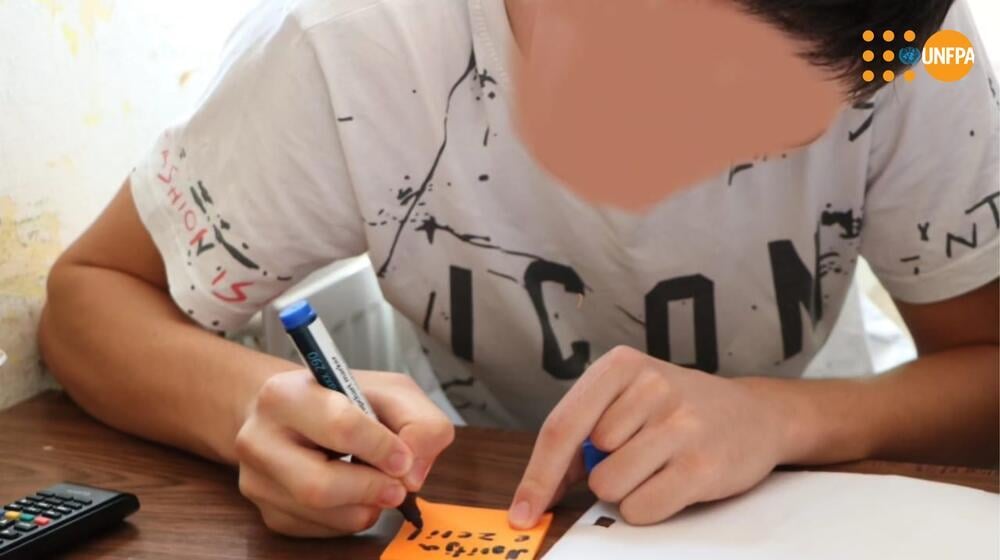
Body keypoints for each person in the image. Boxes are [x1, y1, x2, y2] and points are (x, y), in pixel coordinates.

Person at [39, 0, 998, 537]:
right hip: (484, 485)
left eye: (764, 135)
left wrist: (778, 415)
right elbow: (90, 301)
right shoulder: (352, 44)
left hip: (812, 476)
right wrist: (251, 407)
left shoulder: (913, 49)